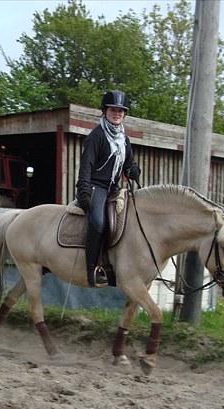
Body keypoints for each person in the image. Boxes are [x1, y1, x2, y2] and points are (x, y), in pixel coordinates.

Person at [76, 90, 141, 287]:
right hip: (96, 187)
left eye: (121, 111)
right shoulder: (96, 136)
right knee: (97, 222)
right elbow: (86, 165)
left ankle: (117, 266)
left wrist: (133, 169)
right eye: (113, 110)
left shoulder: (123, 139)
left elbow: (128, 163)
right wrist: (84, 190)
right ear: (105, 111)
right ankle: (92, 270)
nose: (117, 114)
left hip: (114, 188)